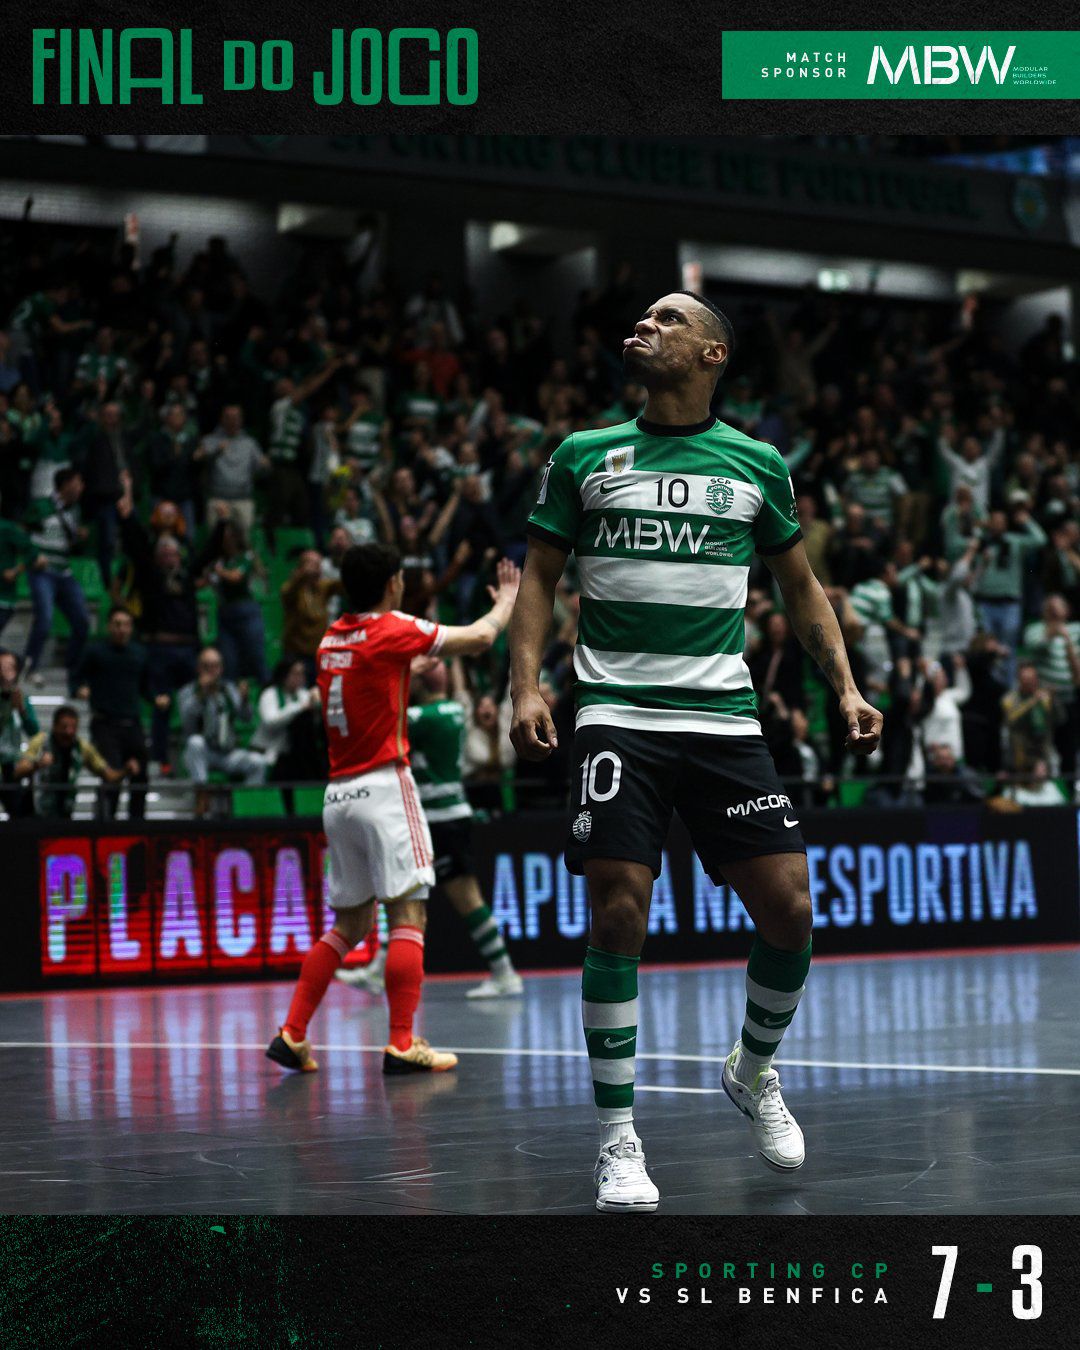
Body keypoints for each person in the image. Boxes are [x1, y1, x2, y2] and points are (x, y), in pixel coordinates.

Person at [509, 291, 882, 1213]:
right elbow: (541, 580)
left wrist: (845, 684)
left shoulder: (757, 466)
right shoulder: (584, 456)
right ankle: (618, 1141)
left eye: (668, 319)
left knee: (791, 909)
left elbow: (803, 590)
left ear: (713, 353)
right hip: (618, 714)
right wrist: (523, 684)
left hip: (722, 719)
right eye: (641, 319)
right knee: (619, 916)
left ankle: (753, 1071)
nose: (645, 326)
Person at [266, 542, 521, 1077]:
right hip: (384, 788)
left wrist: (412, 659)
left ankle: (292, 1033)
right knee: (409, 914)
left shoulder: (331, 639)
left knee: (350, 924)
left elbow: (375, 676)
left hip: (337, 797)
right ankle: (403, 1042)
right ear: (392, 583)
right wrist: (508, 601)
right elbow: (479, 638)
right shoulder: (392, 628)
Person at [337, 656, 523, 1000]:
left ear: (421, 683)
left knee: (465, 899)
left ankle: (505, 973)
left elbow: (379, 721)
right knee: (403, 892)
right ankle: (379, 971)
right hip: (437, 818)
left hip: (441, 820)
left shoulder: (424, 718)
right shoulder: (452, 711)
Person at [74, 605, 155, 819]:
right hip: (105, 724)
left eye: (126, 625)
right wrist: (79, 688)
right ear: (109, 626)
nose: (121, 629)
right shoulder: (95, 651)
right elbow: (76, 676)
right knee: (111, 776)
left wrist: (157, 699)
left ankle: (137, 825)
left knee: (140, 776)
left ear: (131, 628)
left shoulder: (140, 654)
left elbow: (146, 687)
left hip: (132, 724)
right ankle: (105, 824)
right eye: (117, 624)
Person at [23, 467, 90, 692]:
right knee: (45, 619)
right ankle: (29, 666)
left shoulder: (76, 511)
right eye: (79, 482)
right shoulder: (41, 506)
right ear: (67, 484)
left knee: (82, 621)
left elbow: (71, 544)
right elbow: (22, 534)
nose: (81, 487)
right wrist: (33, 556)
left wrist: (80, 538)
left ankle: (73, 668)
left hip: (64, 571)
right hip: (43, 572)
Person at [177, 648, 265, 814]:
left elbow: (246, 718)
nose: (211, 670)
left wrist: (245, 700)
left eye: (215, 666)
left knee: (258, 763)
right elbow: (187, 722)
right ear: (198, 668)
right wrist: (201, 695)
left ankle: (248, 806)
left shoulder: (229, 690)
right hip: (203, 753)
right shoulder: (188, 691)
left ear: (221, 668)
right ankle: (202, 795)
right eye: (206, 666)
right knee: (195, 742)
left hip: (227, 753)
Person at [13, 703, 136, 818]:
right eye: (64, 727)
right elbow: (18, 771)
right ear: (55, 726)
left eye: (73, 728)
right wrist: (38, 764)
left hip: (65, 813)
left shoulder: (82, 747)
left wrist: (126, 770)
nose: (68, 732)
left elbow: (109, 775)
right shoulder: (40, 742)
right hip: (36, 813)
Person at [251, 657, 325, 814]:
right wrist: (299, 707)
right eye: (295, 673)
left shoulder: (304, 694)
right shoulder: (269, 694)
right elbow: (270, 721)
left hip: (294, 755)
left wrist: (317, 705)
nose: (300, 678)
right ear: (284, 675)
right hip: (268, 751)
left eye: (302, 673)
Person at [0, 650, 38, 817]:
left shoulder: (21, 698)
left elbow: (34, 732)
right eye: (1, 667)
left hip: (12, 764)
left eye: (10, 667)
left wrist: (22, 710)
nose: (5, 672)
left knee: (19, 814)